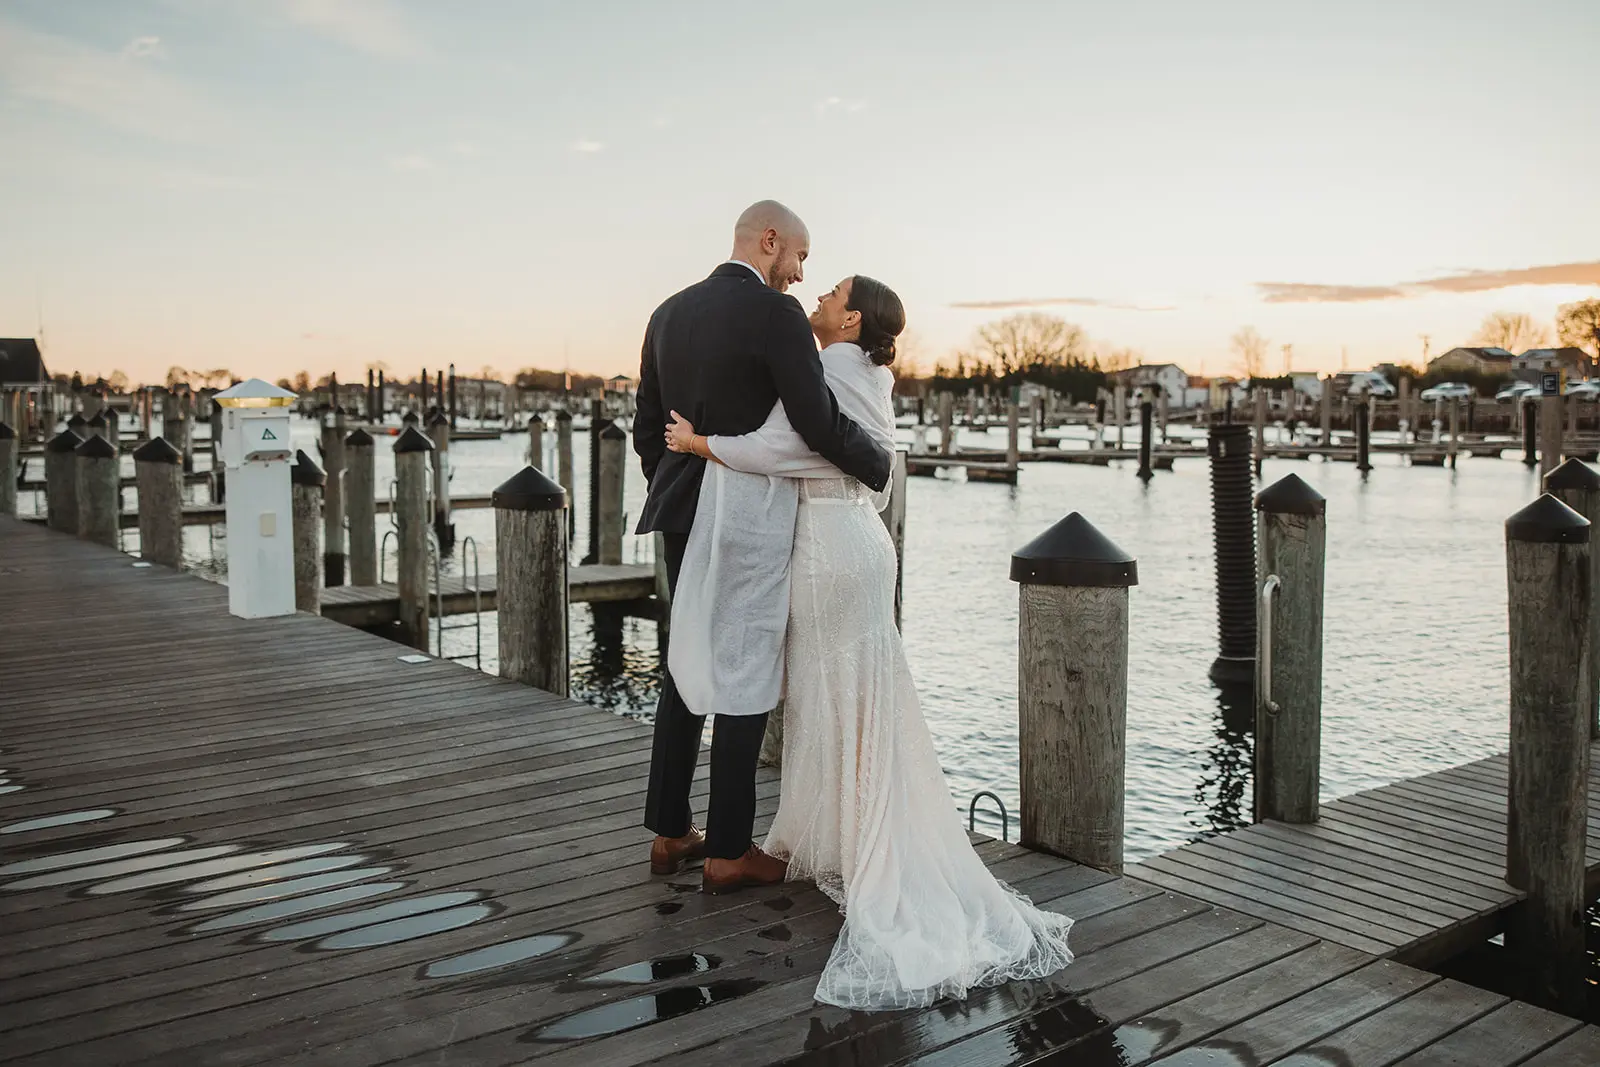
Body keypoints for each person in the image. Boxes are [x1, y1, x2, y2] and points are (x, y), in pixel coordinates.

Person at [663, 275, 1075, 1010]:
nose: (818, 298)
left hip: (827, 550)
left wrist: (700, 442)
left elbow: (786, 447)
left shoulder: (830, 367)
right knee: (852, 696)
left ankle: (860, 846)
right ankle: (848, 834)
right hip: (860, 539)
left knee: (835, 697)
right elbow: (872, 472)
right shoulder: (870, 373)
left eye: (832, 293)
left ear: (851, 319)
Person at [632, 201, 891, 895]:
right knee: (745, 664)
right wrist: (877, 462)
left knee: (688, 654)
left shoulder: (666, 313)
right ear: (769, 240)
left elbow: (646, 427)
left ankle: (668, 831)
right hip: (748, 511)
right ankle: (727, 849)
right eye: (799, 256)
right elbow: (813, 420)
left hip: (681, 508)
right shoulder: (776, 317)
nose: (801, 275)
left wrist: (675, 484)